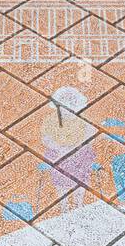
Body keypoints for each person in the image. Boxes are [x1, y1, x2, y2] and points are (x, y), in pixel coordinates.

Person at [41, 86, 97, 214]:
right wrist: (58, 147)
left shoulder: (83, 119)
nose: (66, 109)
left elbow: (90, 135)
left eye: (70, 104)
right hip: (58, 153)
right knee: (59, 172)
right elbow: (46, 139)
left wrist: (76, 148)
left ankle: (78, 203)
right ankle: (64, 205)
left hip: (80, 153)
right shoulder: (50, 120)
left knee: (81, 171)